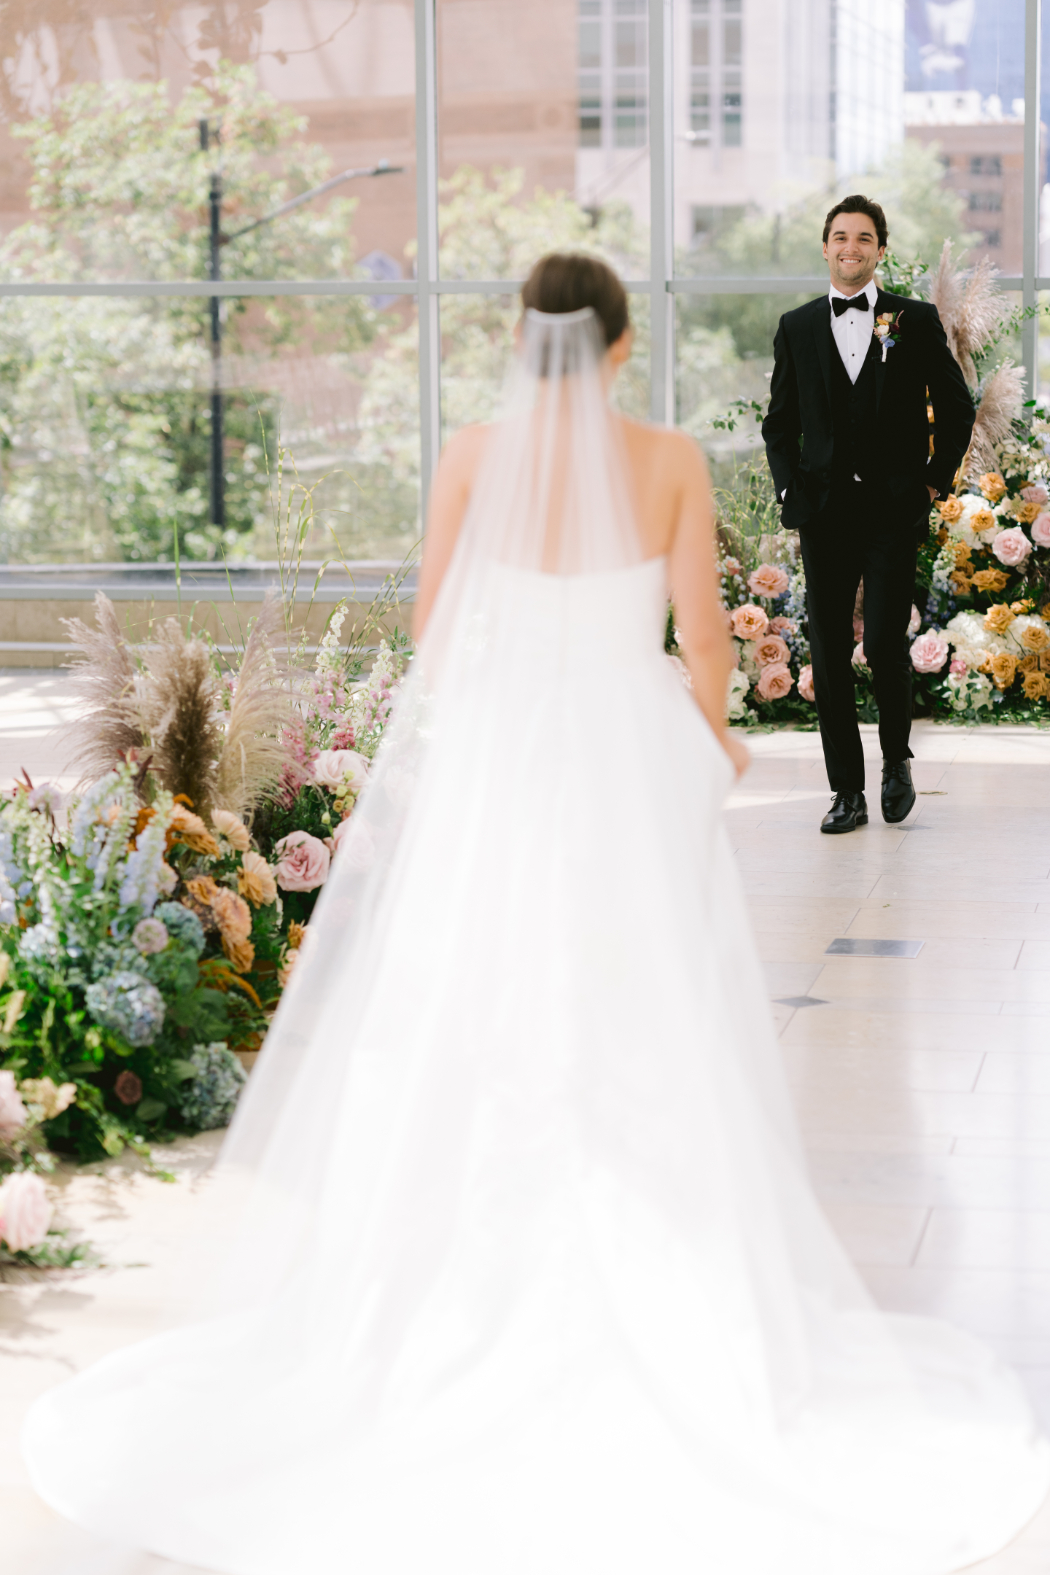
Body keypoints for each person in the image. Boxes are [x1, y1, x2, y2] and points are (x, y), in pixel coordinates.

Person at [22, 255, 1048, 1575]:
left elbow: (438, 642)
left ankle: (447, 1293)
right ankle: (667, 1287)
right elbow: (703, 651)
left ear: (525, 342)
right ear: (619, 348)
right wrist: (709, 746)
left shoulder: (470, 458)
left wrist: (518, 686)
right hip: (622, 761)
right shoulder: (668, 459)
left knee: (481, 1013)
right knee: (646, 1022)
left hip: (509, 770)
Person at [762, 195, 974, 834]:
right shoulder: (796, 327)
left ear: (880, 249)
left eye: (863, 238)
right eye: (839, 237)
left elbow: (956, 408)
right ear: (824, 248)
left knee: (882, 640)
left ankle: (896, 761)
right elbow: (779, 425)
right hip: (824, 512)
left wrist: (933, 483)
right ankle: (846, 791)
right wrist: (790, 493)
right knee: (827, 650)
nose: (850, 247)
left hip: (892, 509)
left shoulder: (913, 319)